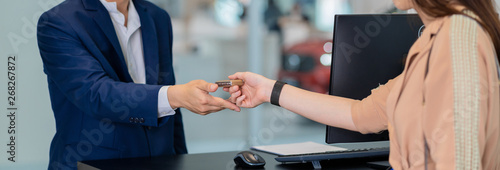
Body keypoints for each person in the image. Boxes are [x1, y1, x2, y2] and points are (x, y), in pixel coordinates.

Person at [226, 0, 500, 169]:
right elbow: (362, 114)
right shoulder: (436, 39)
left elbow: (461, 161)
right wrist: (269, 90)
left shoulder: (459, 38)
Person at [37, 0, 239, 169]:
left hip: (161, 161)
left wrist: (180, 158)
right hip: (92, 162)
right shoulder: (58, 22)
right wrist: (175, 96)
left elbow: (171, 108)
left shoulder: (157, 17)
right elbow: (96, 94)